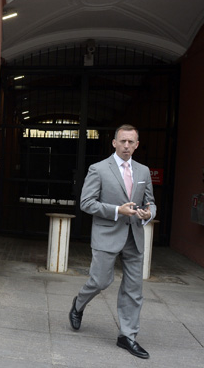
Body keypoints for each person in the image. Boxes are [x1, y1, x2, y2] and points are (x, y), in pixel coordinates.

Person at [69, 124, 156, 359]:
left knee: (133, 290)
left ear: (137, 145)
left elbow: (151, 202)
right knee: (100, 281)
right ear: (114, 143)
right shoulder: (98, 169)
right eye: (123, 141)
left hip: (134, 237)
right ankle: (79, 304)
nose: (126, 145)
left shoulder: (143, 171)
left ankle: (127, 336)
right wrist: (118, 210)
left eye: (131, 142)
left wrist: (149, 214)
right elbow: (86, 203)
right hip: (107, 234)